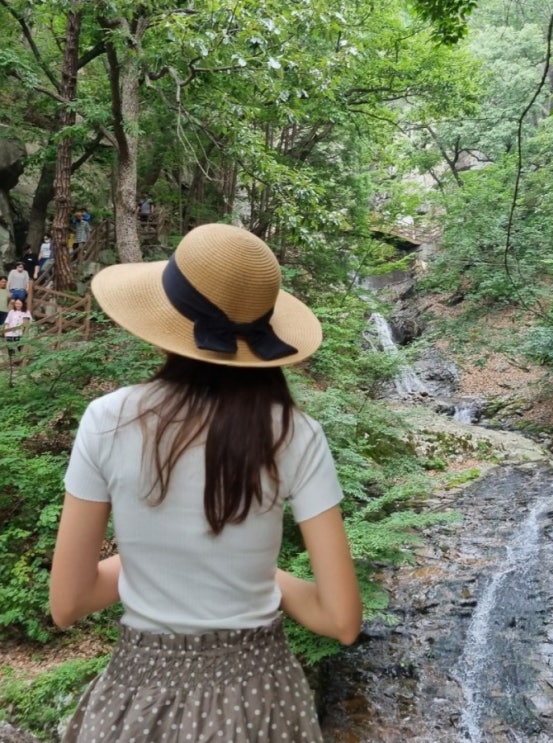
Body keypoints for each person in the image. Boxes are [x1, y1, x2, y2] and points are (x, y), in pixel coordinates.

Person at [50, 224, 362, 743]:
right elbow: (341, 620)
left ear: (167, 318)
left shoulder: (107, 419)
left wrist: (154, 555)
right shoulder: (296, 433)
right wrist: (261, 573)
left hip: (139, 698)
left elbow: (69, 601)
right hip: (262, 700)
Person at [4, 297, 31, 362]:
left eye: (19, 303)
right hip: (10, 333)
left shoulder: (26, 312)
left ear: (23, 304)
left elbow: (28, 322)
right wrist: (5, 331)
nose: (17, 305)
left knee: (20, 347)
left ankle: (23, 360)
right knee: (10, 348)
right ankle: (12, 361)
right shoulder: (11, 311)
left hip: (20, 333)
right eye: (16, 303)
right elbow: (7, 321)